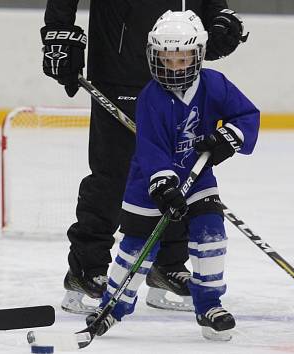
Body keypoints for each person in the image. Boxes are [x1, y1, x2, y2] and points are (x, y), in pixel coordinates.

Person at [40, 0, 248, 313]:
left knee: (180, 166)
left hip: (177, 63)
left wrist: (218, 14)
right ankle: (87, 267)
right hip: (120, 65)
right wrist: (59, 31)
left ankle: (167, 264)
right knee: (115, 171)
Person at [85, 10, 259, 341]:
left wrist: (228, 138)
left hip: (197, 178)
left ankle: (209, 304)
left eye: (182, 60)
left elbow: (247, 114)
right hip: (150, 184)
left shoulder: (215, 85)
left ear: (198, 55)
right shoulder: (151, 96)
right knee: (137, 248)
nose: (174, 67)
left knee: (211, 234)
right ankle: (113, 307)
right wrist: (164, 186)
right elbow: (151, 150)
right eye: (166, 59)